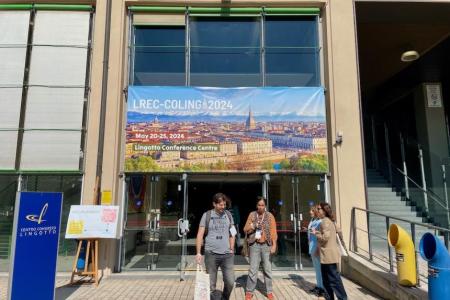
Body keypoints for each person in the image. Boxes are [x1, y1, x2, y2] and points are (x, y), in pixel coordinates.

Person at [196, 193, 236, 300]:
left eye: (224, 204)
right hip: (211, 254)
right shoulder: (207, 215)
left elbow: (232, 232)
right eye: (221, 205)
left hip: (227, 255)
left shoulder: (228, 215)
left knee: (230, 281)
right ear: (214, 204)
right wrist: (198, 252)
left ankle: (225, 298)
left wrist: (232, 248)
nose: (223, 207)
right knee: (211, 284)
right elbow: (200, 234)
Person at [243, 196, 277, 300]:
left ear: (265, 205)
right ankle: (249, 291)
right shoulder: (252, 215)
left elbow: (273, 232)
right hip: (254, 245)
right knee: (253, 269)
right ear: (256, 205)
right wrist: (253, 225)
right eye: (259, 205)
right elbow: (245, 229)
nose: (261, 207)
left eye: (262, 205)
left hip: (266, 245)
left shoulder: (270, 216)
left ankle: (269, 291)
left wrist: (274, 245)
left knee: (267, 269)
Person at [312, 202, 348, 300]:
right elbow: (338, 232)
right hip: (329, 255)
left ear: (324, 211)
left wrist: (316, 234)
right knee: (329, 280)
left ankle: (342, 298)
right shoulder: (330, 220)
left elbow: (325, 237)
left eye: (319, 209)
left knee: (333, 280)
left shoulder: (325, 221)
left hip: (328, 256)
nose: (317, 210)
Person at [307, 205, 324, 297]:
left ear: (316, 212)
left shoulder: (320, 221)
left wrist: (318, 248)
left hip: (316, 247)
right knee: (317, 269)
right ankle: (318, 286)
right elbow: (312, 231)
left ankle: (322, 288)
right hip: (312, 246)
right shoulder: (312, 220)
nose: (310, 212)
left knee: (320, 269)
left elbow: (320, 235)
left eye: (312, 211)